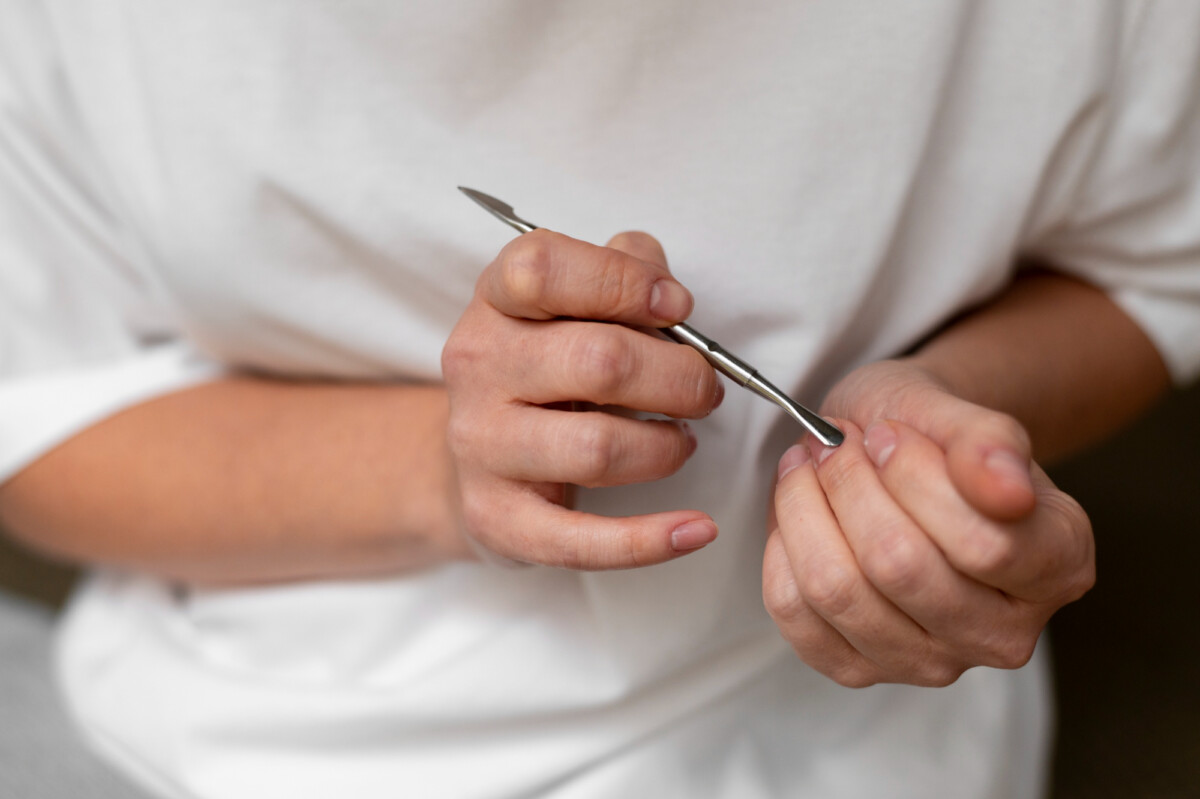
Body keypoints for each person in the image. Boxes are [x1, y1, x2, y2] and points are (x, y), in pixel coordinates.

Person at [0, 2, 1197, 797]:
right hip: (224, 748)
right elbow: (40, 418)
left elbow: (1157, 271)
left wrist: (941, 409)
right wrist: (438, 469)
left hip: (868, 754)